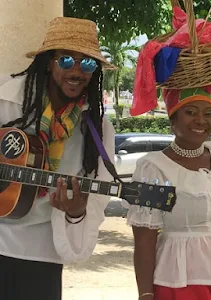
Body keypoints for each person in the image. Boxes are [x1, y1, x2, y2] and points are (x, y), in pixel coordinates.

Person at [0, 17, 116, 300]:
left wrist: (77, 211)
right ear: (49, 62)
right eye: (66, 60)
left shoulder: (97, 129)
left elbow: (99, 193)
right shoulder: (6, 101)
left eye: (87, 63)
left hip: (41, 253)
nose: (76, 71)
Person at [123, 84, 211, 300]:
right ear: (172, 118)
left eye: (208, 114)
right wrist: (146, 294)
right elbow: (144, 239)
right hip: (179, 279)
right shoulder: (154, 168)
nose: (201, 120)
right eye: (190, 112)